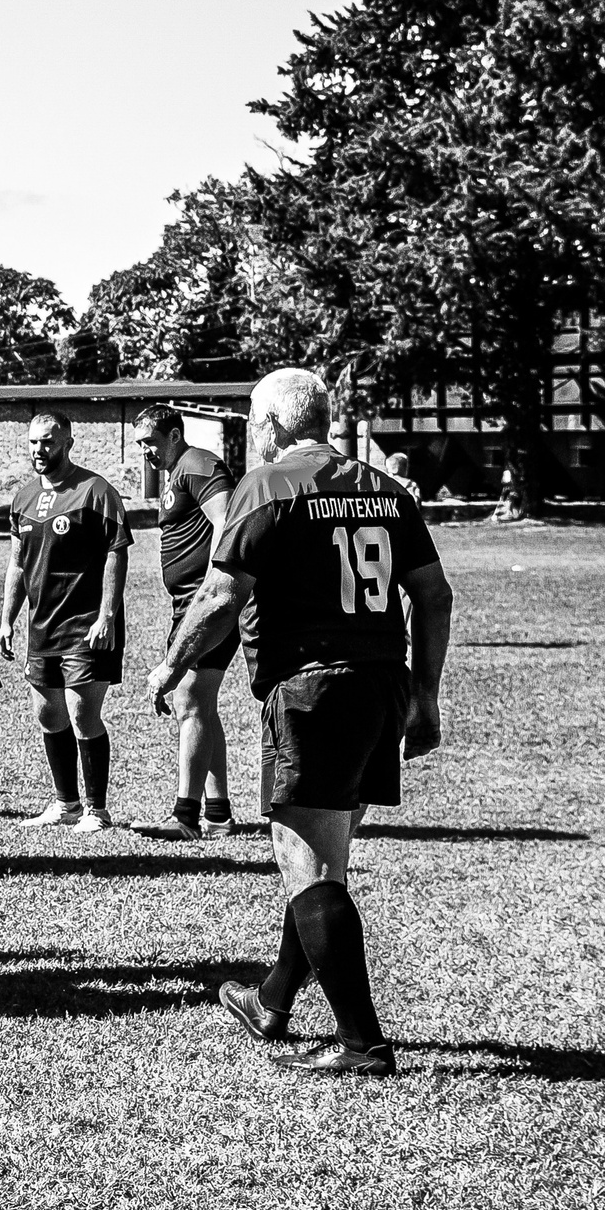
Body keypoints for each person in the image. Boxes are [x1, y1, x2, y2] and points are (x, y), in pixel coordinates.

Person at [147, 369, 452, 1077]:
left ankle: (362, 1043)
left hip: (314, 689)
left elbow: (222, 596)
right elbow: (433, 596)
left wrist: (168, 667)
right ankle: (273, 1001)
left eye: (254, 422)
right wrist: (427, 698)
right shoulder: (385, 487)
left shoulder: (267, 485)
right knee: (322, 857)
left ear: (273, 425)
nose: (253, 435)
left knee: (308, 864)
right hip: (381, 686)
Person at [0, 413, 131, 833]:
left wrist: (107, 614)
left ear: (69, 440)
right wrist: (6, 621)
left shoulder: (96, 491)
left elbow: (117, 552)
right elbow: (17, 564)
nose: (39, 450)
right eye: (33, 442)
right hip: (43, 626)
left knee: (81, 714)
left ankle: (96, 809)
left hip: (85, 624)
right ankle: (65, 804)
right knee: (47, 715)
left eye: (48, 442)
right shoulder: (23, 499)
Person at [134, 406, 238, 840]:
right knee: (199, 702)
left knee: (189, 700)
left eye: (150, 442)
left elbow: (226, 522)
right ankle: (218, 812)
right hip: (189, 605)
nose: (145, 452)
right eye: (140, 444)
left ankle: (185, 816)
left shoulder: (197, 463)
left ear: (175, 435)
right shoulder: (176, 472)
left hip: (206, 604)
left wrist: (210, 589)